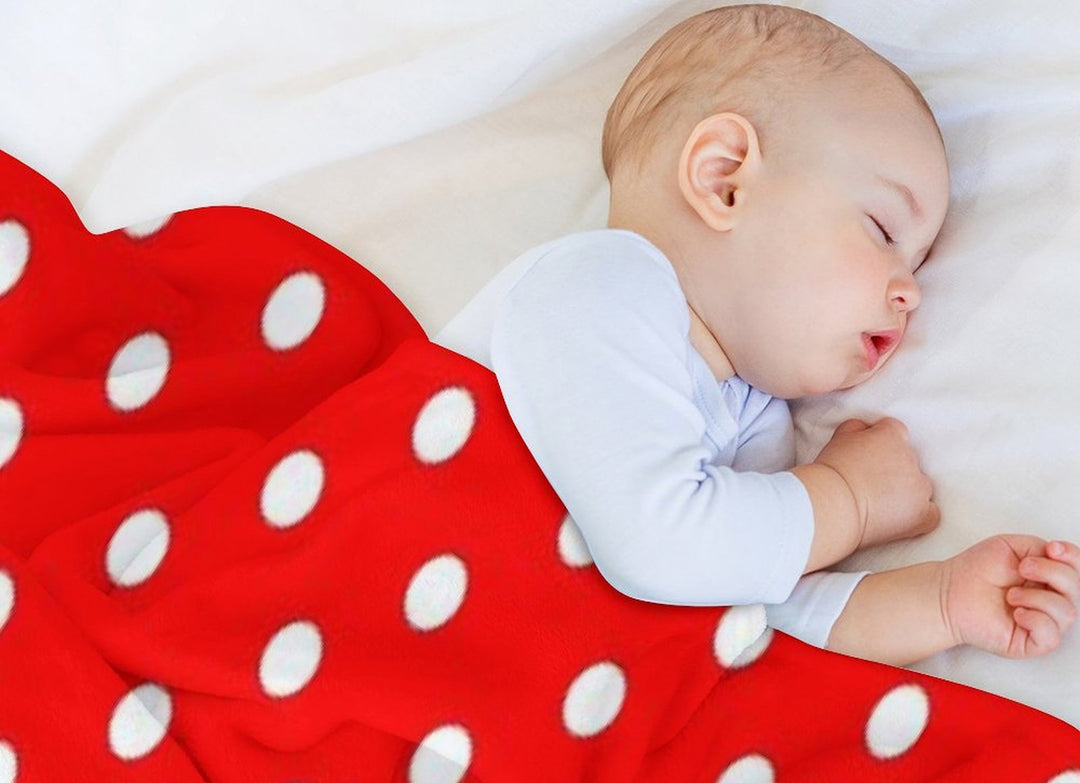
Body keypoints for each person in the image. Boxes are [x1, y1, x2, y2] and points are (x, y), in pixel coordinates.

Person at [434, 3, 1079, 668]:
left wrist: (944, 602)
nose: (910, 290)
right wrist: (848, 499)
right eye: (884, 231)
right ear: (725, 180)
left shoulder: (750, 413)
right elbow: (659, 546)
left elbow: (753, 612)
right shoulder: (594, 283)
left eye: (915, 263)